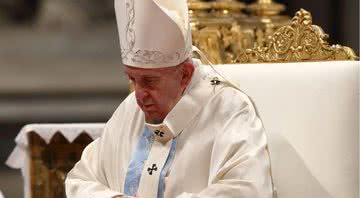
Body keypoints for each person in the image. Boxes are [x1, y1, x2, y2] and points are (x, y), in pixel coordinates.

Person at [65, 0, 274, 197]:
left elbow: (249, 190)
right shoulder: (130, 109)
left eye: (149, 81)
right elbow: (80, 180)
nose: (138, 94)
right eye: (132, 79)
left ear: (184, 75)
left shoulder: (229, 109)